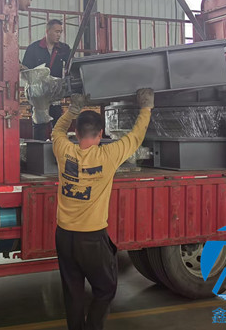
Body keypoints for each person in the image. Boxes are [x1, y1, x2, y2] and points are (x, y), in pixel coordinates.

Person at [51, 89, 154, 330]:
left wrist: (72, 111)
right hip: (92, 238)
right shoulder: (109, 155)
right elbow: (136, 137)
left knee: (73, 291)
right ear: (100, 134)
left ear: (76, 133)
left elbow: (56, 131)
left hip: (64, 235)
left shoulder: (63, 150)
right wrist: (146, 108)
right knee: (106, 289)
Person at [22, 19, 71, 140]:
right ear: (47, 31)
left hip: (55, 93)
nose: (59, 35)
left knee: (58, 124)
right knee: (39, 125)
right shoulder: (33, 48)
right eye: (56, 31)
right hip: (38, 95)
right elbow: (26, 71)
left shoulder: (64, 49)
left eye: (60, 32)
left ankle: (58, 148)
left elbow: (71, 67)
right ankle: (39, 148)